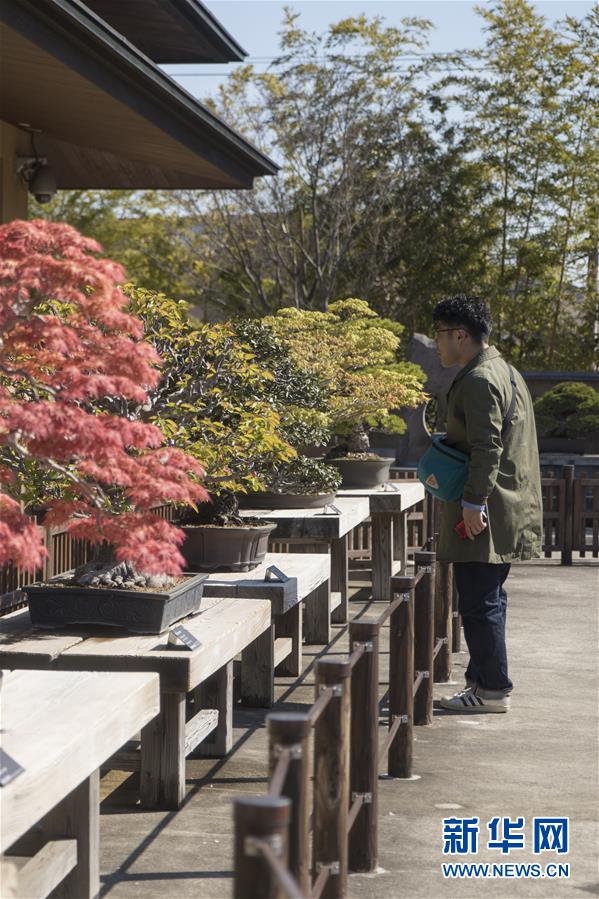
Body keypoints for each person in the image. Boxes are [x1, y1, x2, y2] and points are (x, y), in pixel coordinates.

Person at [432, 295, 543, 713]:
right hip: (506, 506)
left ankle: (492, 690)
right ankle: (482, 684)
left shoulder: (480, 380)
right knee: (489, 599)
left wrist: (472, 502)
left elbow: (487, 447)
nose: (439, 344)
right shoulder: (505, 371)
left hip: (488, 509)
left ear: (460, 334)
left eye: (442, 334)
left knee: (478, 602)